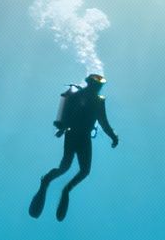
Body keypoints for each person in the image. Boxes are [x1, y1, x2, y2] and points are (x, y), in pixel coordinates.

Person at [29, 73, 119, 221]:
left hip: (75, 136)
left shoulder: (85, 97)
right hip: (79, 137)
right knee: (77, 170)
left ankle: (53, 184)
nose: (98, 87)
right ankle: (58, 186)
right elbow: (104, 123)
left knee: (70, 168)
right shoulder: (94, 100)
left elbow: (103, 123)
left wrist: (113, 136)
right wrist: (113, 137)